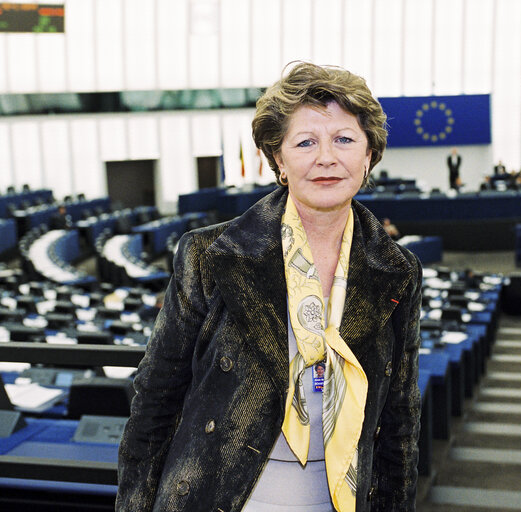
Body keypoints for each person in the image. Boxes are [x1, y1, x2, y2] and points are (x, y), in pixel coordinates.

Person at [117, 62, 423, 512]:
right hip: (217, 496)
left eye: (344, 139)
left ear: (369, 155)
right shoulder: (208, 254)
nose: (326, 158)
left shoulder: (398, 271)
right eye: (305, 142)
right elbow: (155, 402)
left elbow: (400, 422)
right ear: (278, 158)